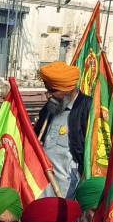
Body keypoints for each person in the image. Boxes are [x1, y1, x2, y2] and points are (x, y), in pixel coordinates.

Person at [33, 61, 90, 197]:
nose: (48, 95)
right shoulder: (50, 107)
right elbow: (37, 136)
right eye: (47, 90)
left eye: (53, 91)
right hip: (43, 185)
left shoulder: (88, 108)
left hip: (67, 190)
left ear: (68, 88)